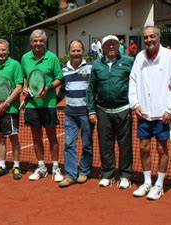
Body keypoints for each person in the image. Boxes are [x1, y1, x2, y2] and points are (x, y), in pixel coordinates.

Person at [129, 25, 171, 200]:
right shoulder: (139, 57)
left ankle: (159, 185)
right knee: (144, 148)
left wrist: (170, 109)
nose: (149, 40)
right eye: (146, 37)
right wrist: (135, 103)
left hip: (162, 114)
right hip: (143, 113)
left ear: (159, 37)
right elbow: (133, 81)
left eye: (152, 36)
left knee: (161, 148)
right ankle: (147, 182)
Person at [87, 35, 134, 189]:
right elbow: (91, 89)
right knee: (105, 144)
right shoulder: (96, 65)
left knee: (125, 145)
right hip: (103, 111)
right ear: (103, 48)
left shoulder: (128, 62)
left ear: (118, 46)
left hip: (123, 109)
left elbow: (136, 84)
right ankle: (108, 174)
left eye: (114, 44)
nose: (112, 47)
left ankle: (125, 175)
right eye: (108, 45)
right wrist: (92, 111)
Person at [21, 29, 63, 182]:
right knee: (36, 136)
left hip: (49, 103)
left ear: (44, 42)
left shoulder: (52, 58)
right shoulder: (25, 58)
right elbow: (25, 76)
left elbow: (59, 78)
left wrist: (48, 88)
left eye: (41, 41)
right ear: (31, 42)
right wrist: (25, 88)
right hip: (32, 105)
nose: (38, 43)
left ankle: (56, 167)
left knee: (52, 136)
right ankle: (41, 167)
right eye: (35, 41)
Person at [58, 40, 94, 188]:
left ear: (83, 51)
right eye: (73, 51)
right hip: (70, 114)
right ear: (69, 53)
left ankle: (84, 171)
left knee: (87, 145)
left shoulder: (91, 67)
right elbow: (62, 91)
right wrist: (52, 102)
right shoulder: (63, 69)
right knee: (69, 144)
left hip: (86, 113)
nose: (76, 53)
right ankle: (71, 175)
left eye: (78, 50)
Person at [0, 39, 24, 180]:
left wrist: (6, 103)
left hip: (10, 110)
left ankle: (16, 166)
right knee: (0, 138)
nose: (1, 52)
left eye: (3, 50)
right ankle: (2, 166)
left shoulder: (15, 65)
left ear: (8, 51)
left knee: (13, 138)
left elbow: (19, 86)